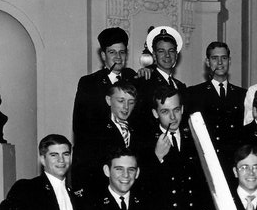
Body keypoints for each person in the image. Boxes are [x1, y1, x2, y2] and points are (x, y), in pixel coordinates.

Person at [72, 27, 137, 157]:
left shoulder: (133, 78)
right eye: (112, 52)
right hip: (99, 156)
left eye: (122, 52)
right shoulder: (89, 83)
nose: (118, 57)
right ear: (103, 55)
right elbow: (80, 127)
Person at [185, 41, 247, 160]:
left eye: (224, 58)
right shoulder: (194, 93)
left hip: (234, 158)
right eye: (214, 58)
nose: (220, 62)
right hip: (208, 159)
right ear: (208, 62)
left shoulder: (242, 94)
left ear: (229, 61)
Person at [72, 81, 137, 194]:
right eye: (121, 101)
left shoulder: (140, 130)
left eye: (131, 102)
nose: (126, 107)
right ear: (108, 100)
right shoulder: (93, 130)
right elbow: (82, 168)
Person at [133, 26, 186, 136]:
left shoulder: (180, 86)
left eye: (171, 51)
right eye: (161, 51)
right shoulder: (145, 81)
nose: (167, 55)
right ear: (154, 55)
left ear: (176, 55)